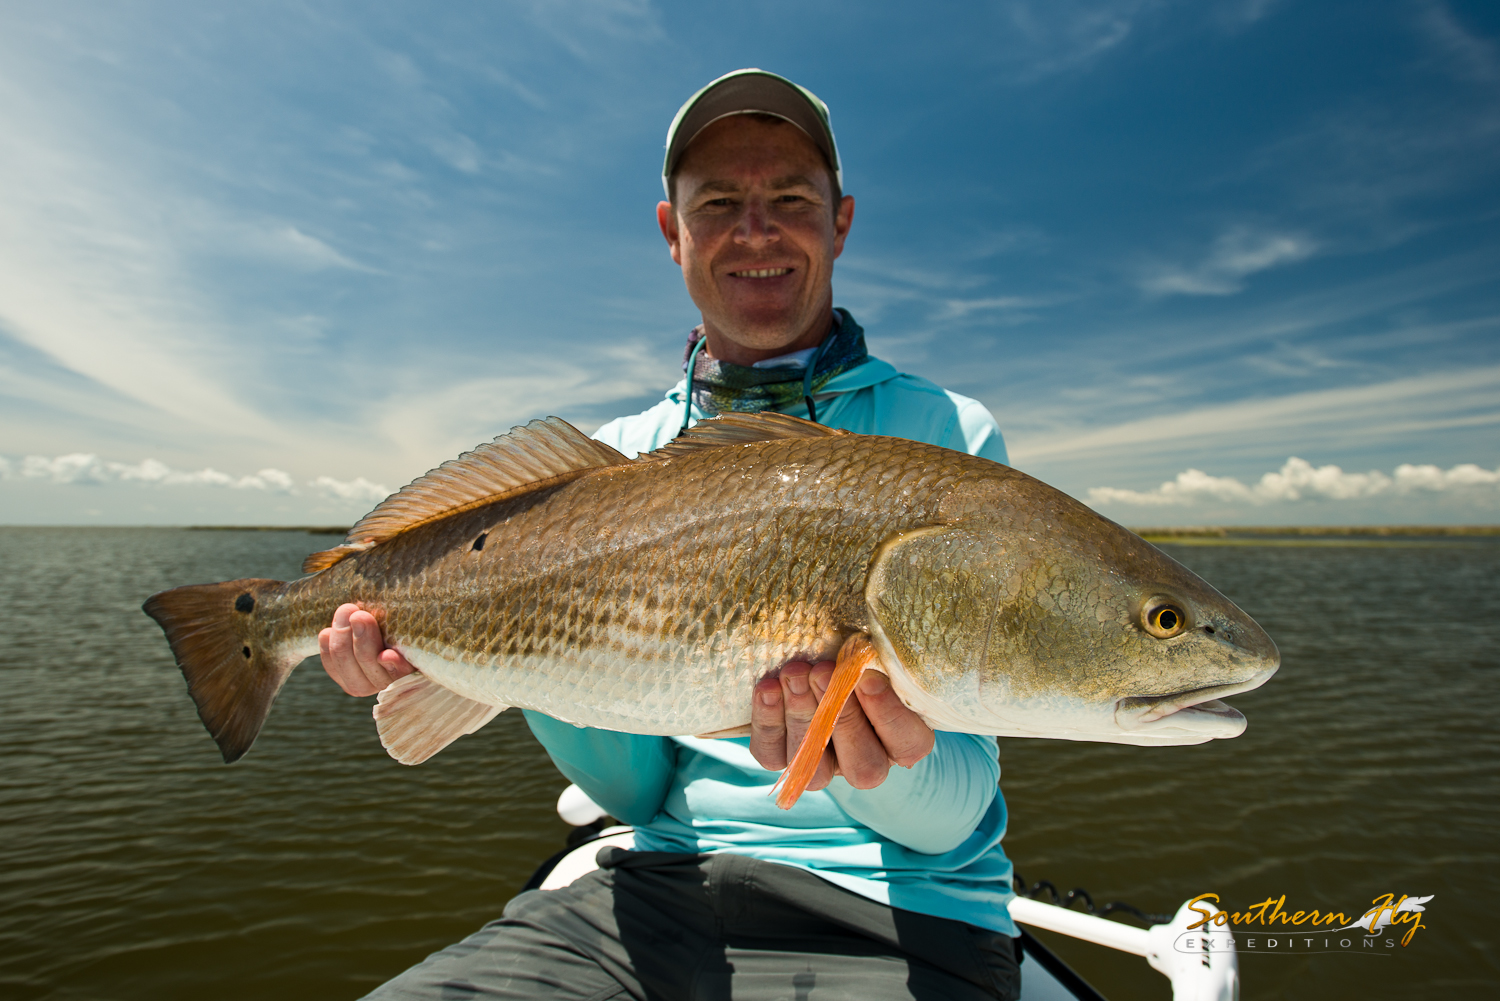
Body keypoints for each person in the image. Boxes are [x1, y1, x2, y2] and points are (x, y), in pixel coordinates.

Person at [321, 70, 1022, 1001]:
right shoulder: (610, 460)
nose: (756, 231)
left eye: (790, 200)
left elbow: (950, 820)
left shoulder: (947, 441)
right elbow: (638, 797)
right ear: (673, 231)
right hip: (654, 892)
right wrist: (519, 653)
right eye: (720, 203)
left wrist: (868, 767)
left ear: (840, 221)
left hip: (905, 916)